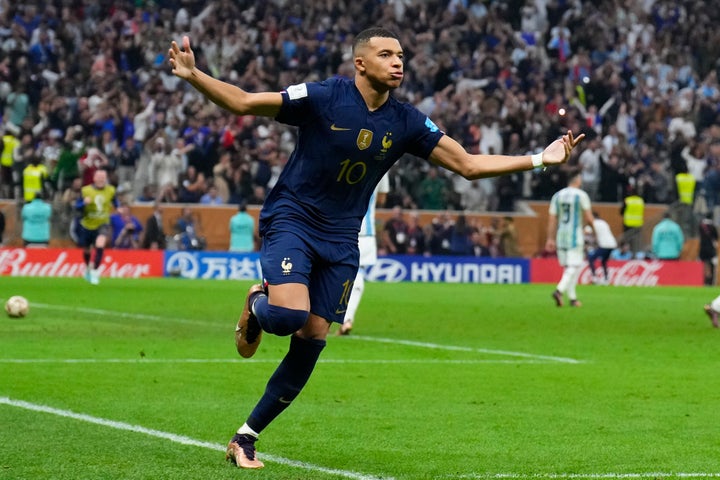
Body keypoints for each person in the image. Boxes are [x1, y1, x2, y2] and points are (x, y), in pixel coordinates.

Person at [168, 28, 583, 469]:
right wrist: (195, 75)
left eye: (401, 55)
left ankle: (246, 437)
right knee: (287, 316)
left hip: (343, 239)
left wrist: (540, 158)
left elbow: (468, 165)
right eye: (386, 54)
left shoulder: (406, 121)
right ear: (360, 63)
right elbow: (245, 102)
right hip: (293, 220)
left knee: (312, 340)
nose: (398, 62)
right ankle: (257, 302)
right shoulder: (325, 96)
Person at [337, 173, 389, 335]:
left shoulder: (343, 157)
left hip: (339, 229)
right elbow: (382, 199)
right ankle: (347, 319)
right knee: (358, 273)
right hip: (365, 231)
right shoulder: (385, 160)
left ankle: (319, 318)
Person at [547, 172, 594, 307]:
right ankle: (559, 290)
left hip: (560, 236)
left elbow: (552, 219)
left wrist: (550, 238)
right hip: (574, 236)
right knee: (574, 266)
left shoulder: (557, 196)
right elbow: (589, 218)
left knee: (570, 267)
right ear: (578, 180)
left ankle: (573, 298)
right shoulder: (581, 195)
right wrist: (595, 232)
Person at [76, 169, 117, 284]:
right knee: (87, 250)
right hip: (87, 224)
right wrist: (83, 203)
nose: (101, 180)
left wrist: (118, 208)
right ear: (94, 179)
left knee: (100, 245)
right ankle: (88, 268)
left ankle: (95, 272)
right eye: (99, 177)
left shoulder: (111, 190)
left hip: (102, 223)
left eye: (103, 178)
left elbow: (115, 201)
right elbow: (77, 206)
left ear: (106, 179)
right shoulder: (85, 191)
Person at [586, 211, 618, 285]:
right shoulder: (603, 222)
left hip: (604, 245)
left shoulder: (594, 223)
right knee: (603, 261)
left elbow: (586, 231)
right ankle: (606, 279)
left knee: (591, 258)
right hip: (612, 244)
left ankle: (594, 277)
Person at [698, 213, 718, 286]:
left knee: (702, 266)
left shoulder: (701, 226)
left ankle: (703, 281)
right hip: (711, 250)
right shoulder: (713, 227)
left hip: (702, 249)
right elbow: (716, 238)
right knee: (712, 265)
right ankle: (711, 281)